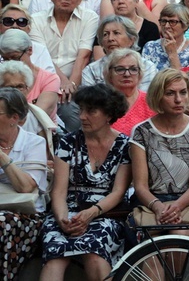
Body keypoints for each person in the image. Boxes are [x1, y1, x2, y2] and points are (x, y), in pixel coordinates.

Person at [40, 84, 131, 280]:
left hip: (105, 213)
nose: (82, 116)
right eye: (80, 110)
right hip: (66, 211)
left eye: (91, 111)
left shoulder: (125, 145)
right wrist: (63, 220)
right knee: (55, 255)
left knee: (95, 253)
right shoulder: (67, 142)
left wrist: (91, 213)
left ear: (109, 114)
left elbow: (118, 192)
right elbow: (58, 192)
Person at [130, 69, 189, 232]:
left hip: (187, 202)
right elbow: (141, 186)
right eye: (170, 93)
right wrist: (159, 207)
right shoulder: (141, 131)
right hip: (150, 202)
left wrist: (177, 206)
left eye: (183, 92)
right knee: (149, 236)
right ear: (158, 96)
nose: (178, 100)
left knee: (181, 233)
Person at [0, 88, 47, 279]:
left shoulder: (34, 143)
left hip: (26, 214)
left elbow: (26, 187)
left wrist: (2, 156)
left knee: (1, 222)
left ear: (14, 117)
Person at [29, 0, 98, 103]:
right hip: (44, 80)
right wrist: (61, 83)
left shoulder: (90, 18)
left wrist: (70, 86)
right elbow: (42, 58)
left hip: (76, 82)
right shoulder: (35, 20)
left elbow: (83, 57)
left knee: (70, 112)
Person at [82, 15, 157, 91]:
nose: (110, 38)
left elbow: (146, 99)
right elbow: (88, 101)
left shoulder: (147, 67)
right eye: (105, 34)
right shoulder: (91, 70)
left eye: (116, 33)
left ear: (131, 40)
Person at [141, 4, 189, 71]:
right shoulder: (150, 47)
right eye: (163, 21)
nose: (166, 26)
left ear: (185, 25)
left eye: (172, 22)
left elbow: (187, 80)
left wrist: (172, 54)